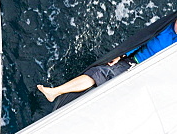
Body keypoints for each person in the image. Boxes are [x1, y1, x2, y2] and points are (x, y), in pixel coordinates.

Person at [37, 17, 177, 103]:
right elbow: (141, 41)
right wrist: (121, 55)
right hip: (134, 63)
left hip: (152, 79)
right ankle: (55, 92)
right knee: (100, 73)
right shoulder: (165, 27)